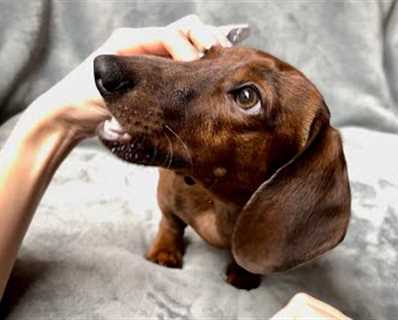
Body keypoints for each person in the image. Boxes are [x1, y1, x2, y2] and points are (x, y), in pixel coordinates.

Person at [0, 15, 350, 319]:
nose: (108, 71)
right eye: (206, 60)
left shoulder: (294, 184)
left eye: (247, 97)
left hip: (251, 226)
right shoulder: (182, 182)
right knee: (172, 210)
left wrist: (251, 257)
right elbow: (171, 201)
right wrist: (169, 235)